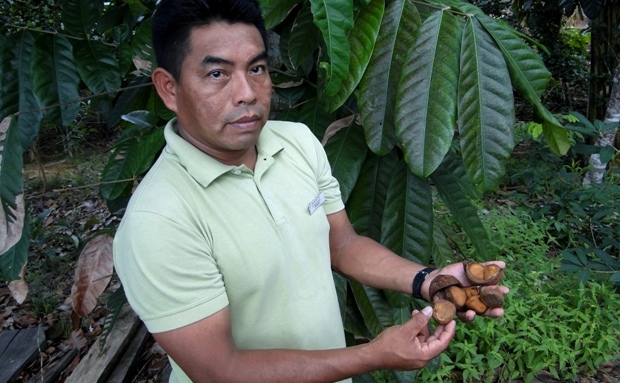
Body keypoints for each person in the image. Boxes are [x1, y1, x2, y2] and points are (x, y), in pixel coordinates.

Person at [112, 0, 509, 382]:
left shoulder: (298, 142)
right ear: (168, 89)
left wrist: (428, 280)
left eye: (257, 68)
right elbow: (220, 371)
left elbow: (342, 244)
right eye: (217, 74)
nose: (247, 92)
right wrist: (371, 356)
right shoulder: (158, 221)